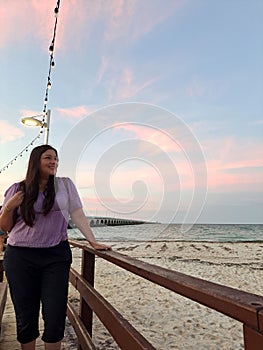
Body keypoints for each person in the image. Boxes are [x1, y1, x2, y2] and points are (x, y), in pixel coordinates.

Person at [0, 144, 111, 350]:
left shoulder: (65, 185)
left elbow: (77, 214)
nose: (54, 162)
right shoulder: (17, 189)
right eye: (48, 158)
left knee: (54, 312)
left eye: (56, 159)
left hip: (55, 255)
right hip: (20, 257)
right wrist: (9, 206)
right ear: (35, 161)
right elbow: (5, 226)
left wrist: (92, 241)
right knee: (25, 312)